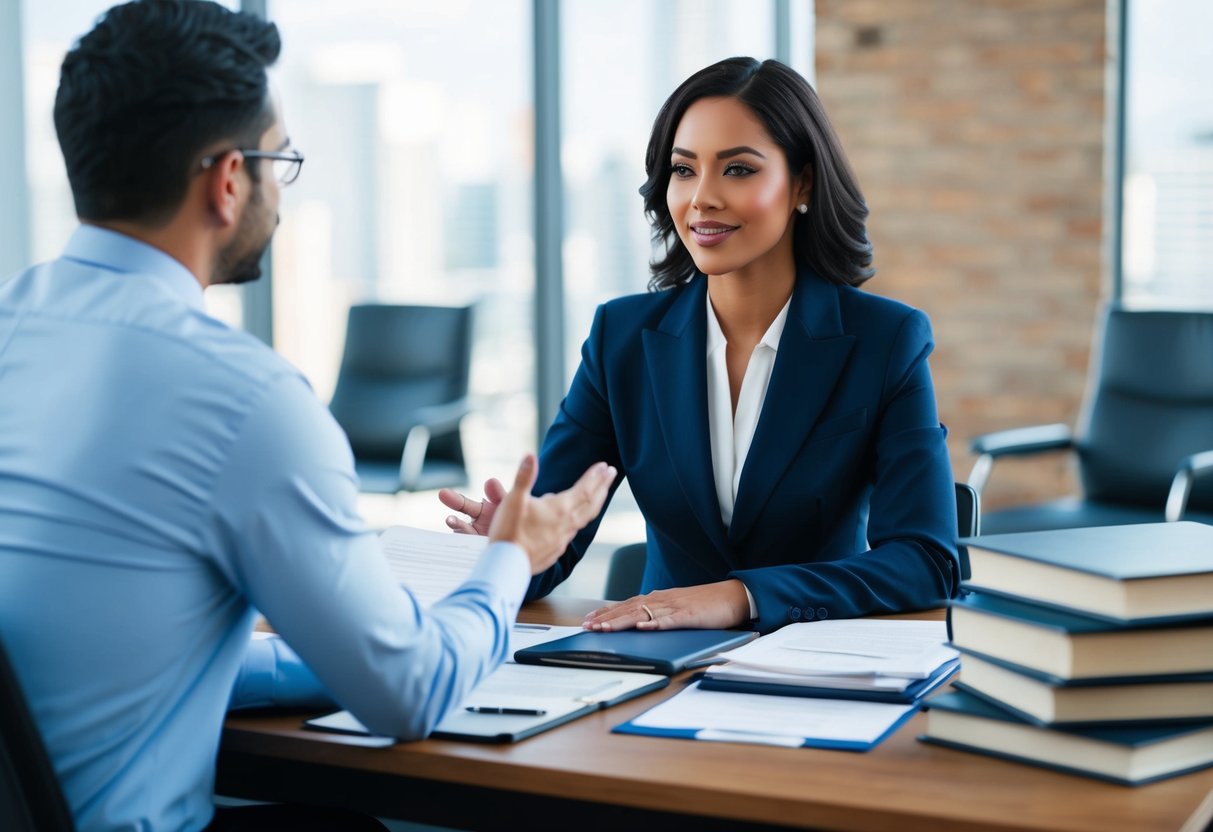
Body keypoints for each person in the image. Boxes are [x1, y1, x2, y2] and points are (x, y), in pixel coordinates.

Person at [0, 2, 615, 831]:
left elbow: (75, 651)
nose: (278, 193)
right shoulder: (241, 397)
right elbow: (411, 694)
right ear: (226, 181)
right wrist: (511, 559)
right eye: (277, 159)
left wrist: (321, 653)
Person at [442, 56, 960, 635]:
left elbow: (927, 561)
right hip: (652, 669)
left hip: (814, 672)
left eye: (738, 170)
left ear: (803, 185)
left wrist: (743, 597)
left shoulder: (885, 341)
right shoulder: (623, 339)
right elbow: (551, 547)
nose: (701, 199)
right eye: (684, 171)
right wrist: (513, 545)